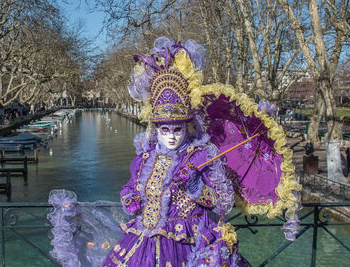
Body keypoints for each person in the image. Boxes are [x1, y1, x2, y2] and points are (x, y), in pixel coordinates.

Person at [48, 37, 300, 267]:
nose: (170, 135)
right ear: (156, 128)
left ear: (186, 126)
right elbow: (131, 188)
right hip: (141, 241)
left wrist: (197, 189)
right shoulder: (145, 158)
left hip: (185, 244)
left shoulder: (202, 156)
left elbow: (223, 203)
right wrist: (130, 198)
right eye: (164, 129)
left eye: (176, 129)